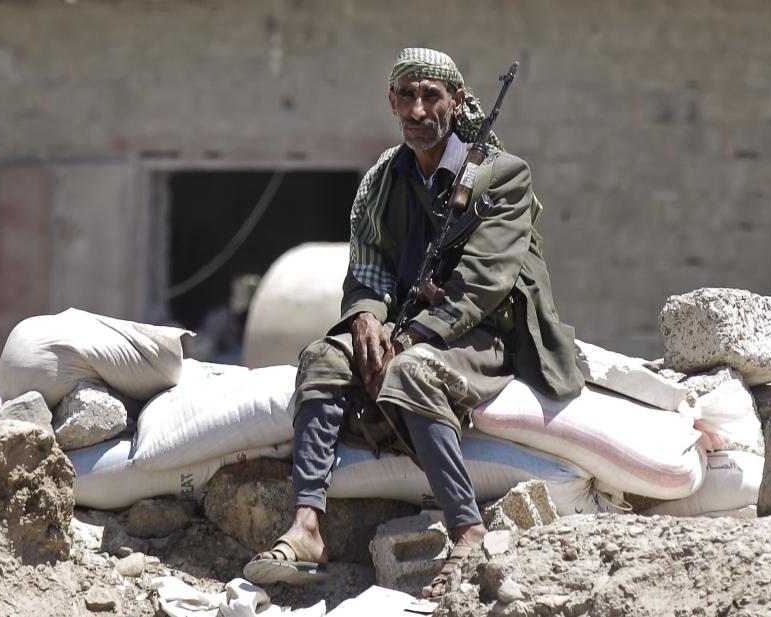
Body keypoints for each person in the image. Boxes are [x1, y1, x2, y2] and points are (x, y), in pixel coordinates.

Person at [243, 47, 584, 598]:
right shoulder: (384, 181)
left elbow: (482, 283)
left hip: (481, 336)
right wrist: (365, 321)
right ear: (391, 102)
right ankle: (306, 526)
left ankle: (468, 531)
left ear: (458, 103)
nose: (419, 109)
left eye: (432, 96)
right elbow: (368, 271)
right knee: (323, 359)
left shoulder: (501, 176)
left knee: (411, 372)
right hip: (406, 326)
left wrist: (409, 338)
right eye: (407, 95)